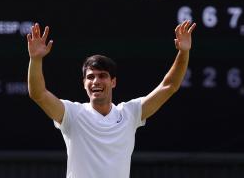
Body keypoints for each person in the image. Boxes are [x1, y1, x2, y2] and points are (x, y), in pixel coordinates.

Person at [26, 20, 196, 178]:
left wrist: (183, 52)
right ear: (84, 83)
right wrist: (35, 59)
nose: (96, 81)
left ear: (113, 82)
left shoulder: (130, 113)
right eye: (90, 77)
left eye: (102, 76)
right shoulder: (72, 114)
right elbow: (38, 94)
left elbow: (169, 86)